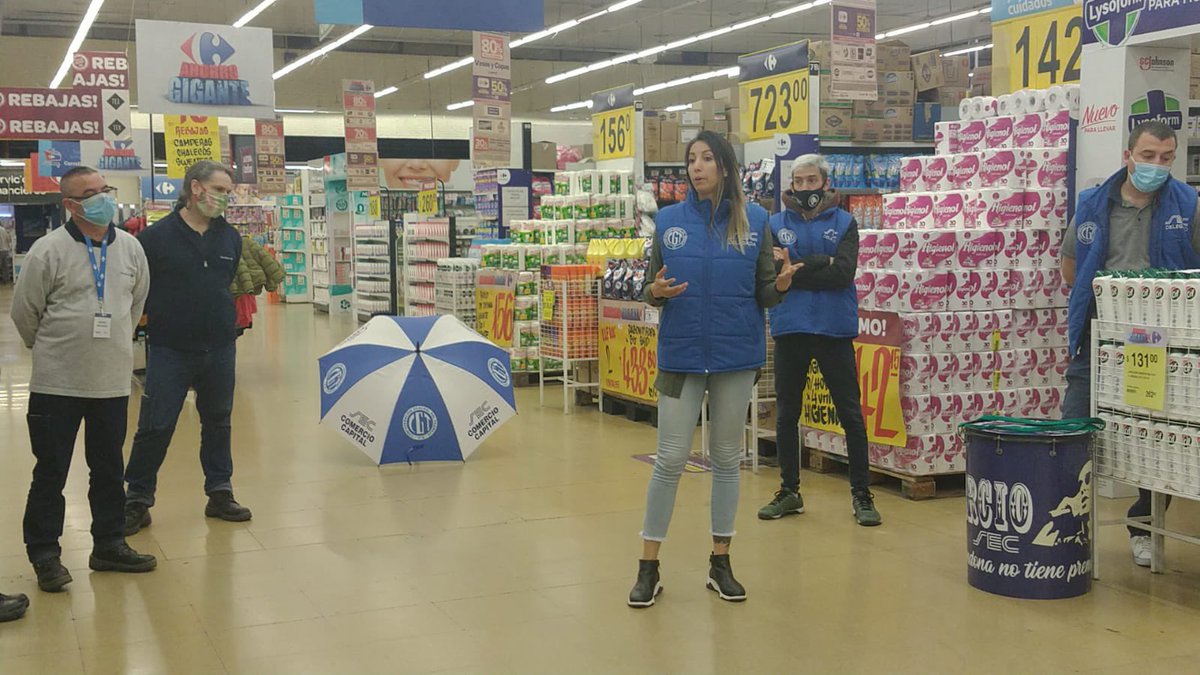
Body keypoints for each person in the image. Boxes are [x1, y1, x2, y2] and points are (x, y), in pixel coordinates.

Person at [628, 131, 798, 608]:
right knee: (670, 459)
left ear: (724, 166)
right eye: (690, 160)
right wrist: (654, 293)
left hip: (734, 358)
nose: (695, 166)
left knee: (727, 459)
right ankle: (648, 567)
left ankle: (720, 561)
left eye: (705, 158)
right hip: (680, 357)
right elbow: (648, 285)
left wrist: (781, 285)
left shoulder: (756, 221)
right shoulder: (667, 221)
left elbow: (765, 291)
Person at [10, 165, 156, 593]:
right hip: (57, 384)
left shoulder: (130, 248)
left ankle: (109, 544)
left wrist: (113, 343)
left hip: (111, 382)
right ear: (70, 205)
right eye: (89, 194)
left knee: (109, 469)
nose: (101, 198)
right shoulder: (47, 251)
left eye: (103, 190)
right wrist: (61, 347)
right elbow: (25, 314)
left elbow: (136, 304)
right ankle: (45, 555)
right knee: (51, 472)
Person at [1061, 121, 1200, 567]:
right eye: (1148, 156)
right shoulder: (1092, 204)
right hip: (1098, 333)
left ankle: (1143, 524)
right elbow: (1069, 267)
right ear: (1128, 155)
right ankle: (1066, 527)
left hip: (1160, 340)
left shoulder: (1189, 205)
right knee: (1074, 426)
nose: (1156, 166)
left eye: (1165, 157)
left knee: (1158, 435)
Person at [123, 160, 251, 535]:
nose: (226, 198)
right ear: (196, 188)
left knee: (219, 421)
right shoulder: (155, 238)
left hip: (220, 346)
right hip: (170, 348)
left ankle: (220, 492)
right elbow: (138, 289)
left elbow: (224, 282)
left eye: (229, 191)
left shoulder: (229, 237)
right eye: (221, 190)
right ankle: (137, 498)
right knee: (156, 424)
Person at [756, 156, 882, 527]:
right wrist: (820, 264)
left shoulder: (845, 222)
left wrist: (798, 268)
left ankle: (862, 494)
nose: (805, 187)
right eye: (799, 181)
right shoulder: (774, 224)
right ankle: (789, 490)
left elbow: (843, 273)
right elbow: (774, 274)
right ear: (791, 185)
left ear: (825, 183)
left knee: (851, 415)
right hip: (790, 327)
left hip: (833, 329)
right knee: (786, 414)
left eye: (812, 180)